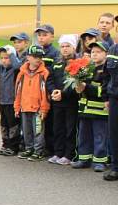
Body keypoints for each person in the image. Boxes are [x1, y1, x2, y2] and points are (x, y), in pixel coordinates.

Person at [71, 41, 109, 171]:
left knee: (100, 136)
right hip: (84, 109)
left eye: (99, 52)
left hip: (99, 111)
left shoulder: (107, 70)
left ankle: (100, 161)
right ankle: (83, 158)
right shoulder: (87, 68)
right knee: (83, 135)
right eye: (93, 52)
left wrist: (87, 87)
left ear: (106, 54)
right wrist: (78, 87)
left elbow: (104, 90)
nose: (95, 54)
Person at [47, 34, 79, 165]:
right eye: (62, 46)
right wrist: (53, 90)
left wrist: (63, 94)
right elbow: (49, 78)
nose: (65, 49)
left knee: (70, 129)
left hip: (71, 102)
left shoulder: (78, 63)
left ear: (74, 47)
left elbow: (76, 83)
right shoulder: (57, 62)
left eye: (68, 46)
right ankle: (58, 152)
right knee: (57, 128)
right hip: (57, 102)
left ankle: (69, 154)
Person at [14, 46, 50, 160]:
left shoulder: (44, 73)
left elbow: (45, 93)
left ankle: (38, 150)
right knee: (26, 130)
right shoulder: (22, 73)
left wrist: (44, 109)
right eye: (35, 57)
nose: (38, 59)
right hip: (24, 107)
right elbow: (18, 91)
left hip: (38, 108)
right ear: (28, 57)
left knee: (38, 131)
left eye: (40, 57)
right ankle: (28, 148)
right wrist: (17, 106)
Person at [0, 45, 21, 156]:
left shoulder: (15, 70)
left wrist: (11, 54)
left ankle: (13, 146)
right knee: (4, 124)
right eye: (3, 58)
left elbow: (17, 66)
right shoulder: (1, 69)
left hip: (12, 101)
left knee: (13, 125)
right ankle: (5, 144)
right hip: (2, 101)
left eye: (7, 58)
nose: (5, 60)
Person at [34, 24, 59, 156]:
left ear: (52, 36)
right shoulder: (36, 51)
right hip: (36, 91)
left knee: (50, 121)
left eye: (45, 35)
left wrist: (50, 90)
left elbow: (53, 75)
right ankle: (38, 146)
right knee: (38, 120)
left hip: (48, 91)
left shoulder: (54, 53)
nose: (41, 38)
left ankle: (51, 148)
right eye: (39, 35)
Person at [103, 44, 118, 181]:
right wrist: (105, 97)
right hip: (114, 98)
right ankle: (115, 168)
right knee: (114, 134)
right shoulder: (113, 49)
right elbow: (106, 74)